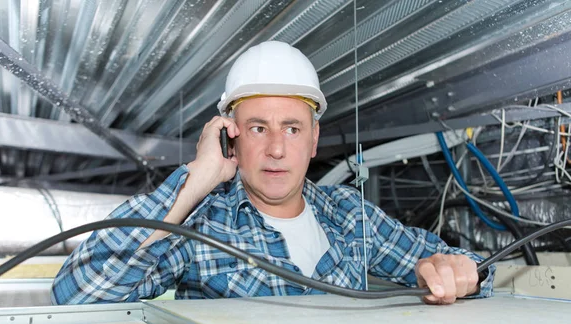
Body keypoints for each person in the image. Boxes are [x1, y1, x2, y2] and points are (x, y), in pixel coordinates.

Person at [51, 41, 494, 305]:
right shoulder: (203, 224)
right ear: (231, 137)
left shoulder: (350, 216)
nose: (277, 148)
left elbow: (464, 265)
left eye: (293, 128)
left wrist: (454, 270)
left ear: (314, 139)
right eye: (258, 128)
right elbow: (78, 293)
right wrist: (197, 179)